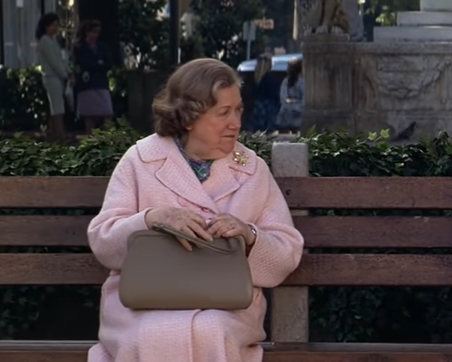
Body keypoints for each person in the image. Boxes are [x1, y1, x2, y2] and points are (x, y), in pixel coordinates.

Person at [86, 58, 305, 362]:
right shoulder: (141, 159)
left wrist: (249, 235)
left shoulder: (252, 169)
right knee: (150, 333)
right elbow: (103, 240)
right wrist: (151, 219)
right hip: (142, 304)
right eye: (223, 113)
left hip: (228, 306)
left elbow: (287, 252)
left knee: (213, 329)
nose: (236, 123)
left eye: (238, 110)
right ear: (189, 117)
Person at [35, 12, 73, 142]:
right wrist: (65, 75)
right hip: (51, 77)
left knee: (57, 106)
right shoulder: (45, 41)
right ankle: (59, 134)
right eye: (53, 25)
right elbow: (54, 62)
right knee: (57, 107)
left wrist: (68, 72)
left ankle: (53, 132)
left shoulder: (53, 40)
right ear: (46, 26)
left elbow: (61, 60)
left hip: (57, 77)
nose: (56, 28)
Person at [73, 19, 114, 134]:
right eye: (93, 32)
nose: (95, 35)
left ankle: (107, 139)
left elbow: (108, 62)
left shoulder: (102, 46)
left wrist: (99, 64)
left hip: (101, 83)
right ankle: (90, 142)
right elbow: (83, 64)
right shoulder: (80, 48)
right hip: (87, 85)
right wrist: (97, 63)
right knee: (89, 117)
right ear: (87, 32)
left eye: (97, 32)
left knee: (107, 113)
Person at [249, 54, 281, 133]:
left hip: (258, 107)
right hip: (268, 107)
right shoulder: (271, 79)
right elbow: (275, 96)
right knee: (268, 131)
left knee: (258, 131)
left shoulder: (254, 78)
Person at [275, 57, 304, 135]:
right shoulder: (287, 82)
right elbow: (284, 99)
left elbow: (284, 100)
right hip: (290, 117)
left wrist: (290, 102)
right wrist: (295, 102)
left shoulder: (300, 82)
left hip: (290, 116)